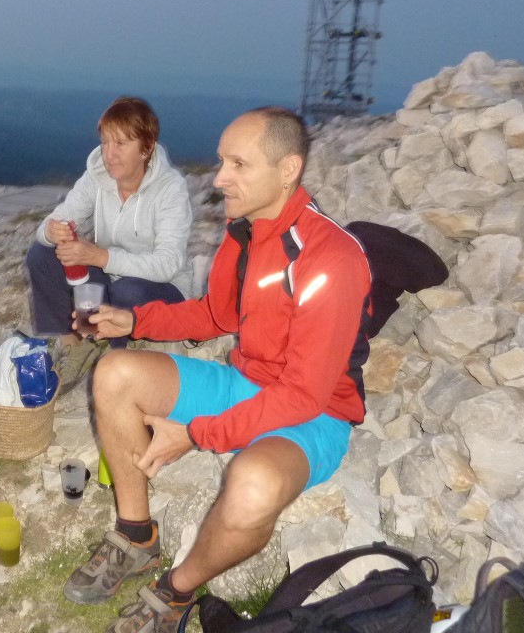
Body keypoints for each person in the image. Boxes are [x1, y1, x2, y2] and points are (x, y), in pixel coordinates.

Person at [63, 107, 372, 632]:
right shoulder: (245, 232)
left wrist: (199, 434)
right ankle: (136, 536)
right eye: (221, 161)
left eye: (238, 164)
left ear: (287, 169)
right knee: (114, 374)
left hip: (314, 415)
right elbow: (217, 314)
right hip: (245, 383)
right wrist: (133, 319)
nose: (220, 177)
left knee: (253, 483)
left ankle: (177, 590)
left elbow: (302, 395)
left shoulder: (330, 259)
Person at [26, 96, 194, 384]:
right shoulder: (97, 177)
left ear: (146, 147)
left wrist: (99, 257)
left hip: (163, 291)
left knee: (127, 291)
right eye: (105, 142)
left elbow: (168, 265)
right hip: (111, 279)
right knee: (42, 255)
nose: (110, 154)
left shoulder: (171, 189)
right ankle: (74, 347)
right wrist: (53, 231)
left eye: (121, 144)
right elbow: (51, 223)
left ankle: (120, 360)